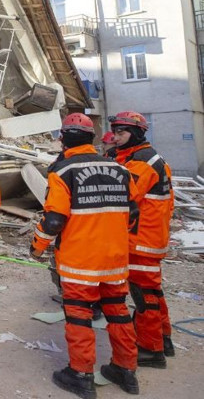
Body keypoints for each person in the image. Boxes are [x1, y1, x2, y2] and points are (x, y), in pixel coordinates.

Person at [30, 113, 140, 398]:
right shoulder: (121, 169)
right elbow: (133, 214)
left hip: (80, 262)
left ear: (64, 138)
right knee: (118, 312)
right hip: (115, 259)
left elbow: (54, 220)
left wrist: (37, 247)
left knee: (79, 316)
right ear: (90, 138)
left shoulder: (63, 172)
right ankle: (126, 370)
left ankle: (80, 374)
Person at [110, 111, 175, 367]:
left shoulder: (142, 161)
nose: (115, 138)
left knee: (143, 295)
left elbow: (124, 195)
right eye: (115, 132)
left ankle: (150, 349)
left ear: (136, 133)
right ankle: (163, 338)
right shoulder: (146, 157)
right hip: (151, 237)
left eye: (121, 133)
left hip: (141, 241)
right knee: (153, 292)